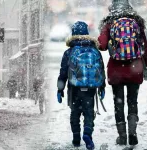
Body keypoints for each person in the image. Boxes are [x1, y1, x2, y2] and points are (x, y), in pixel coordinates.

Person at [98, 0, 147, 146]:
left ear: (112, 8)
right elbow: (145, 47)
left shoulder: (109, 23)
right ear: (129, 7)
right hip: (135, 68)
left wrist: (106, 39)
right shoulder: (136, 22)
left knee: (118, 103)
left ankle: (122, 137)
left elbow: (101, 45)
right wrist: (146, 65)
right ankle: (133, 133)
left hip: (116, 71)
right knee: (133, 101)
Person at [57, 21, 105, 150]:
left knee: (75, 113)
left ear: (73, 33)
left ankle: (76, 137)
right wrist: (102, 87)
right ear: (87, 33)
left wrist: (60, 89)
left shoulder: (69, 52)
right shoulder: (94, 50)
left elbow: (63, 72)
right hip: (90, 88)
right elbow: (100, 69)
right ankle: (87, 133)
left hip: (74, 88)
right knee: (89, 113)